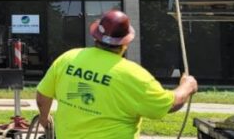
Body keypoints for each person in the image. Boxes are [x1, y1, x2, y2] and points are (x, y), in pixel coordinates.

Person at [36, 10, 198, 138]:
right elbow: (168, 105)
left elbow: (42, 95)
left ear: (96, 37)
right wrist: (187, 86)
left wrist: (44, 119)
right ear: (126, 42)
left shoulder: (68, 58)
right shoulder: (133, 75)